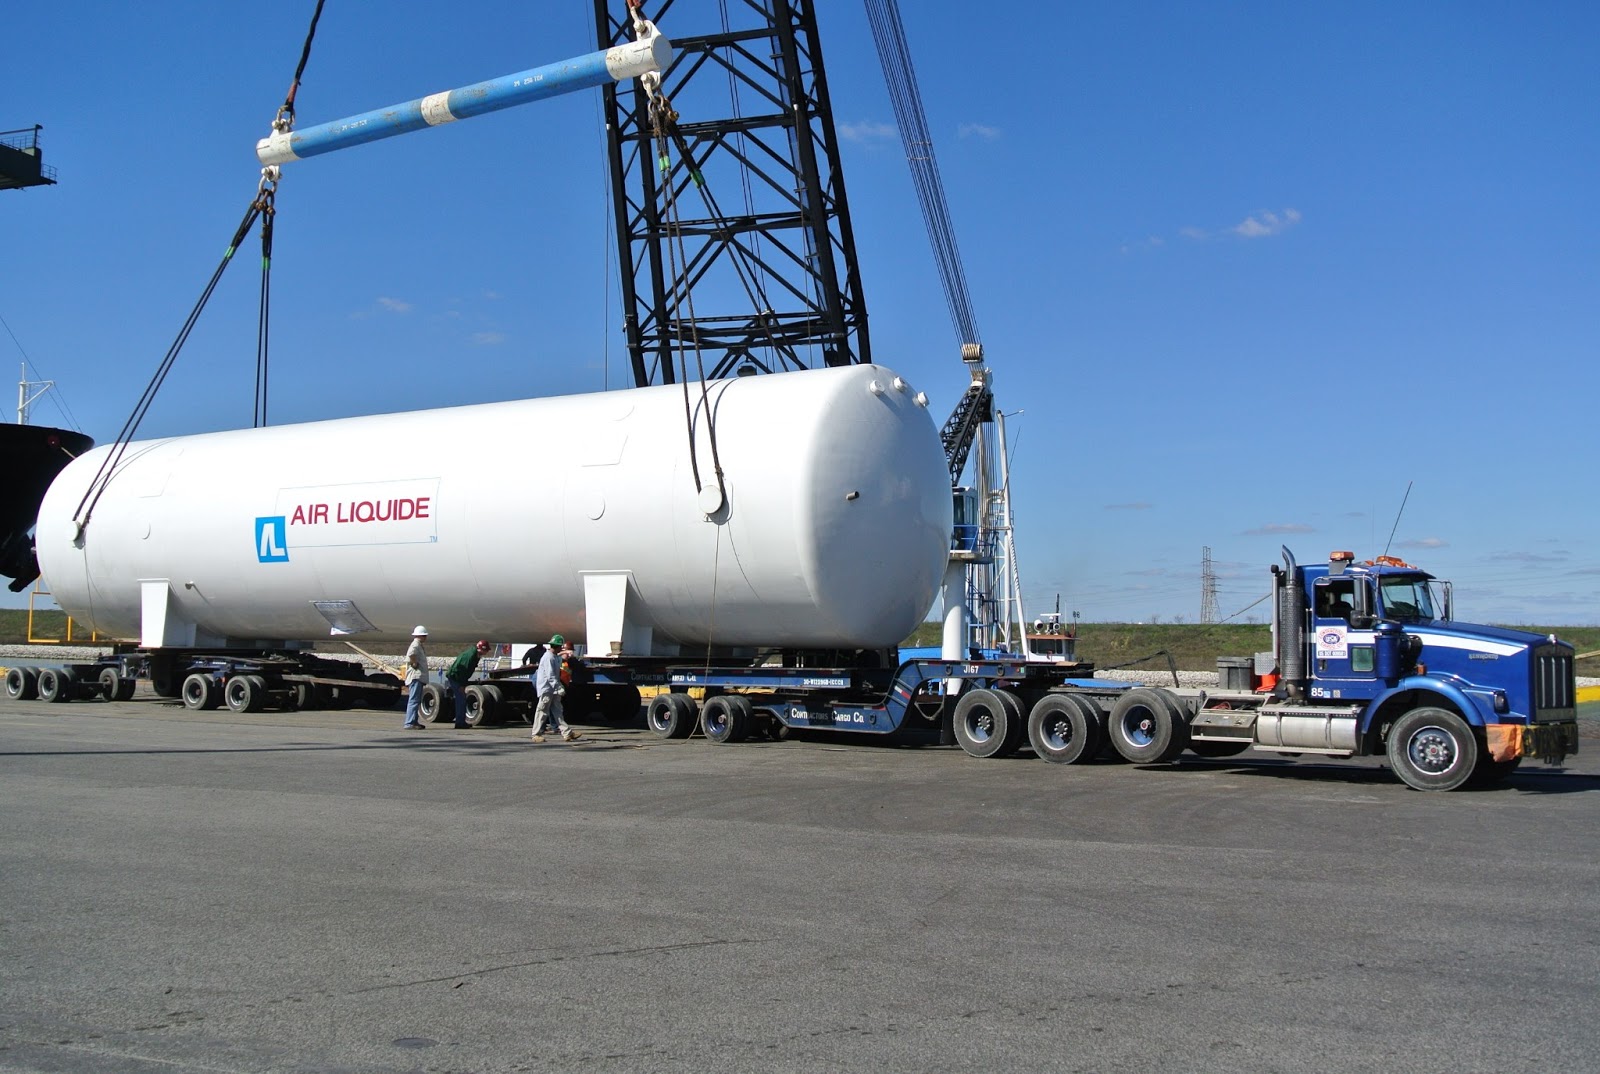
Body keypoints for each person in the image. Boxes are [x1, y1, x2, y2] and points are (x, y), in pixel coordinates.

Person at [530, 633, 582, 744]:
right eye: (560, 647)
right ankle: (536, 734)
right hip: (547, 689)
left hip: (552, 689)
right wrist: (558, 687)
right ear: (558, 646)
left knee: (558, 711)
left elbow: (558, 661)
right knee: (542, 711)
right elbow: (550, 676)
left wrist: (557, 688)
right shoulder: (549, 658)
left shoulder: (553, 657)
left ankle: (567, 733)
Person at [444, 640, 491, 728]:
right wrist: (461, 685)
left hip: (457, 677)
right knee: (461, 700)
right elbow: (462, 671)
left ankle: (461, 721)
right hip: (456, 678)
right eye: (486, 650)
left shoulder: (474, 655)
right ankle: (460, 723)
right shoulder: (470, 656)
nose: (487, 652)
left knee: (461, 699)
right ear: (481, 649)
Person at [401, 625, 431, 729]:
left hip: (418, 677)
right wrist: (415, 664)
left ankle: (414, 721)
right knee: (413, 700)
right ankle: (409, 723)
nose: (426, 638)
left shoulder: (418, 644)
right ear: (421, 636)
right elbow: (411, 655)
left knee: (416, 700)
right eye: (424, 635)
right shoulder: (415, 645)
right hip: (415, 677)